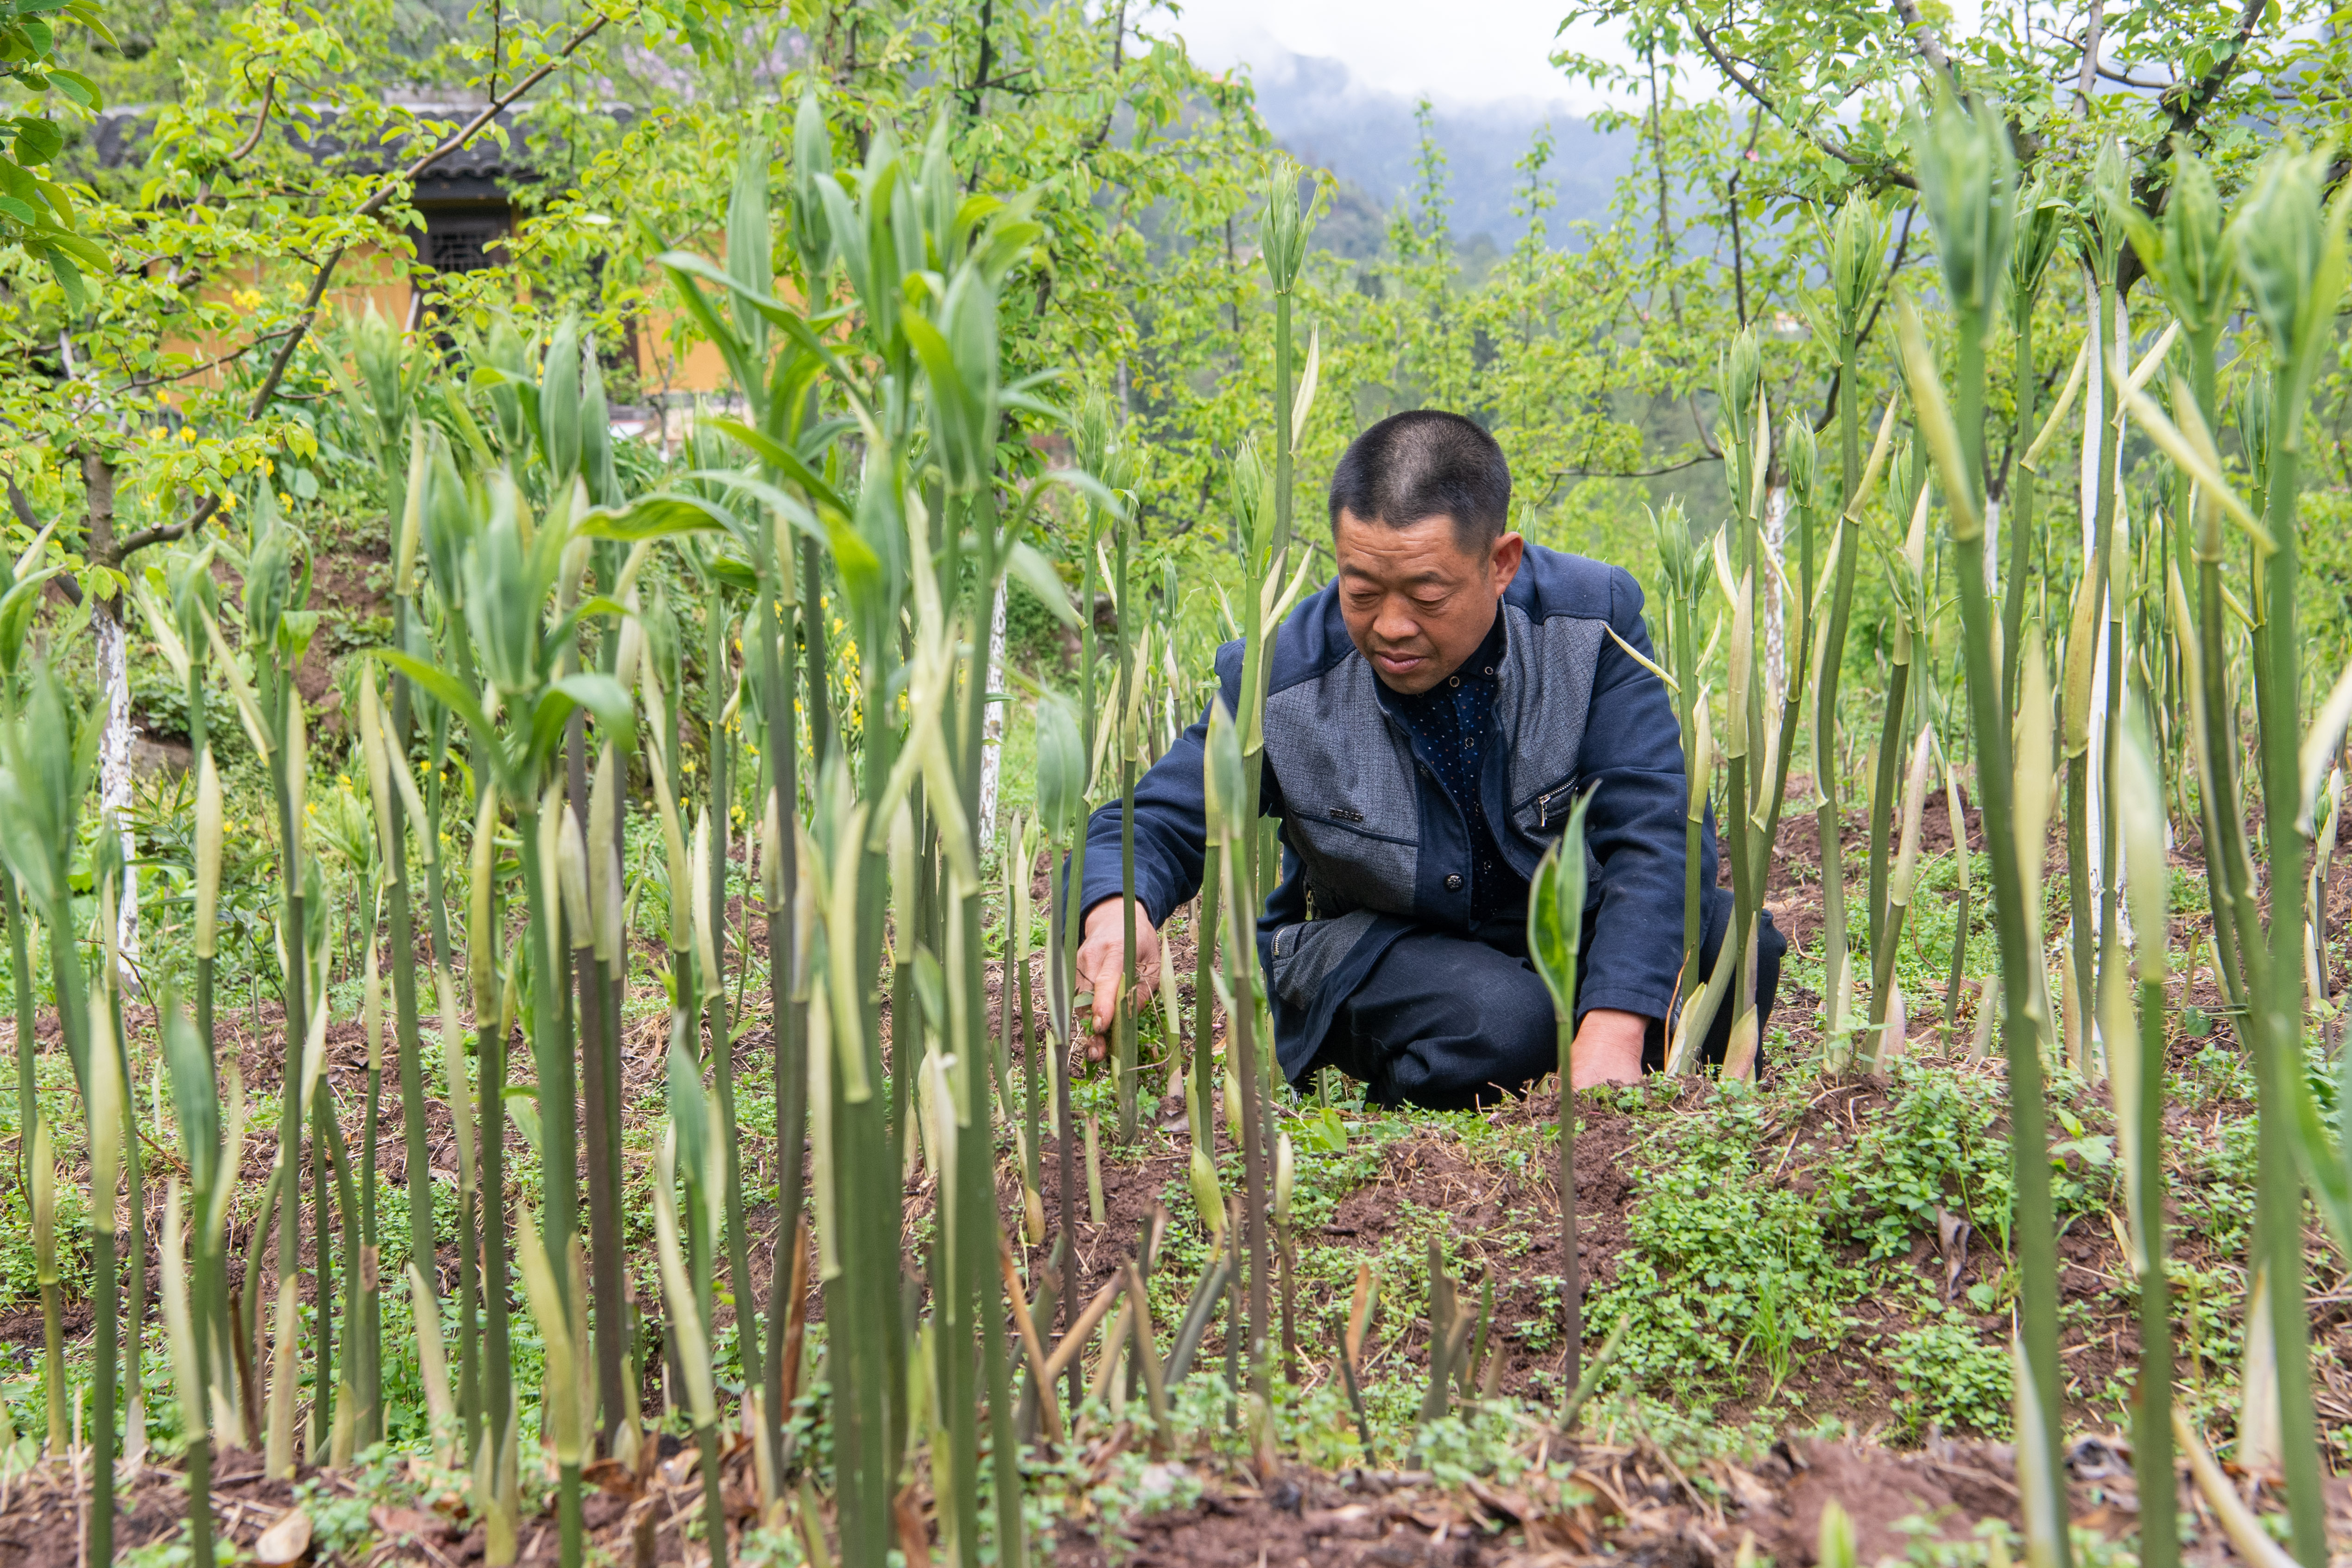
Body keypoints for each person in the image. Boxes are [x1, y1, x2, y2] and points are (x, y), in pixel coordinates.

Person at [1073, 409, 1784, 1109]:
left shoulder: (1589, 624)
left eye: (1426, 593)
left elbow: (1654, 828)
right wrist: (1117, 909)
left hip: (1552, 933)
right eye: (1361, 592)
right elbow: (1152, 821)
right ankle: (1483, 1062)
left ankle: (1579, 1055)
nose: (1389, 625)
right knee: (1504, 1024)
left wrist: (1613, 1029)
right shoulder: (1280, 675)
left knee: (1732, 946)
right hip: (1375, 955)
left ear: (1500, 562)